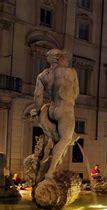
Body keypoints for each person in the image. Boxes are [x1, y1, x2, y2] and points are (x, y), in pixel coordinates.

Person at [31, 49, 79, 180]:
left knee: (55, 139)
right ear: (59, 58)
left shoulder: (43, 75)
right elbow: (76, 92)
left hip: (52, 109)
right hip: (65, 109)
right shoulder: (71, 72)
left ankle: (49, 164)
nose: (67, 59)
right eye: (64, 57)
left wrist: (37, 109)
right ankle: (50, 171)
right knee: (66, 139)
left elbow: (38, 95)